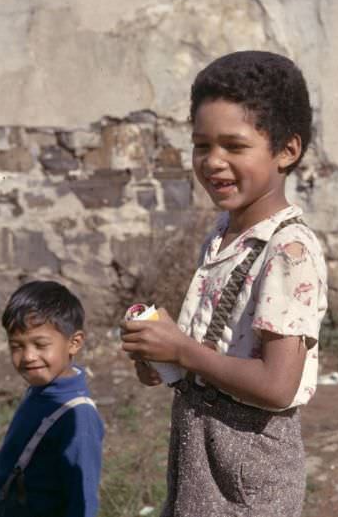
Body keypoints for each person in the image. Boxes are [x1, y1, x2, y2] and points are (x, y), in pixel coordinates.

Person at [120, 51, 327, 517]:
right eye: (201, 145)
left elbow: (276, 385)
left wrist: (182, 351)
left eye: (234, 147)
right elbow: (216, 350)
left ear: (287, 151)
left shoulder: (288, 251)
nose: (213, 162)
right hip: (200, 442)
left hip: (248, 462)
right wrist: (159, 358)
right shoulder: (223, 233)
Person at [0, 280, 104, 517]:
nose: (28, 357)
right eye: (16, 346)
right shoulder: (38, 393)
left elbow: (83, 500)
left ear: (74, 343)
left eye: (40, 344)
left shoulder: (79, 417)